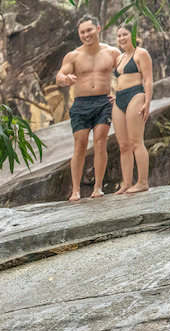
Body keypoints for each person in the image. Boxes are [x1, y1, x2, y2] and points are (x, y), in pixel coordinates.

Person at [56, 15, 121, 202]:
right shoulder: (73, 56)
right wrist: (65, 79)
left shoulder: (112, 53)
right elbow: (60, 75)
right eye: (82, 32)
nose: (86, 34)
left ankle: (98, 187)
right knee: (80, 145)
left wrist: (120, 94)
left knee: (101, 141)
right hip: (81, 104)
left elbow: (127, 71)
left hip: (103, 102)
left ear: (98, 29)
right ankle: (75, 190)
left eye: (89, 30)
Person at [112, 26, 153, 194]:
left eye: (125, 34)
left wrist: (147, 102)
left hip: (136, 95)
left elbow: (149, 80)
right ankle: (126, 183)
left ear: (133, 35)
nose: (122, 38)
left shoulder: (141, 53)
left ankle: (142, 182)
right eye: (119, 35)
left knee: (136, 141)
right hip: (119, 97)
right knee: (123, 145)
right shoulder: (119, 58)